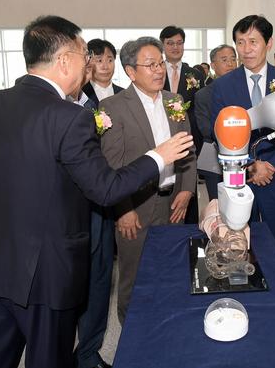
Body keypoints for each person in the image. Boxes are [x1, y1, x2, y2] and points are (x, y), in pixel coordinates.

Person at [0, 15, 193, 368]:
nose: (90, 65)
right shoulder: (69, 115)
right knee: (48, 358)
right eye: (86, 56)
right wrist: (158, 157)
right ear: (64, 60)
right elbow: (105, 189)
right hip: (45, 270)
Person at [100, 37, 196, 324]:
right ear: (131, 71)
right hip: (136, 207)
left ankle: (166, 324)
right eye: (150, 65)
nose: (159, 70)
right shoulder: (112, 107)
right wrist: (123, 210)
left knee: (171, 269)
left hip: (173, 202)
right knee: (134, 275)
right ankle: (131, 331)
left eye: (161, 63)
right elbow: (112, 166)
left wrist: (186, 191)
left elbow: (188, 150)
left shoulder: (174, 101)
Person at [211, 15, 275, 259]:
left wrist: (271, 165)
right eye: (240, 42)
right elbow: (219, 132)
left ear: (269, 43)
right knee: (240, 245)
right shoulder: (223, 85)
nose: (246, 49)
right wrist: (251, 165)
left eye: (253, 41)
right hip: (240, 178)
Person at [71, 38, 121, 368]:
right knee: (73, 283)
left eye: (107, 59)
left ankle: (89, 353)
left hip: (106, 194)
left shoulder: (120, 96)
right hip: (69, 207)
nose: (101, 65)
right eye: (94, 58)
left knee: (100, 277)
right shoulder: (64, 99)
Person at [160, 25, 204, 224]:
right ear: (163, 45)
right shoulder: (155, 71)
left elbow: (200, 108)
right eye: (170, 43)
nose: (175, 47)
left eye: (179, 43)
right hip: (161, 136)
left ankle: (190, 231)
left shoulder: (195, 74)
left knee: (187, 183)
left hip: (188, 138)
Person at [194, 44, 237, 200]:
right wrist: (234, 138)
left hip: (243, 158)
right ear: (213, 65)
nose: (230, 64)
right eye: (224, 60)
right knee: (217, 203)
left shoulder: (245, 89)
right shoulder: (203, 95)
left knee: (240, 200)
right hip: (214, 155)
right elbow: (205, 128)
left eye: (233, 59)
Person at [81, 38, 124, 107]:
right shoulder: (81, 94)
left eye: (110, 60)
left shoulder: (124, 94)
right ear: (88, 61)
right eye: (99, 61)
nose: (105, 67)